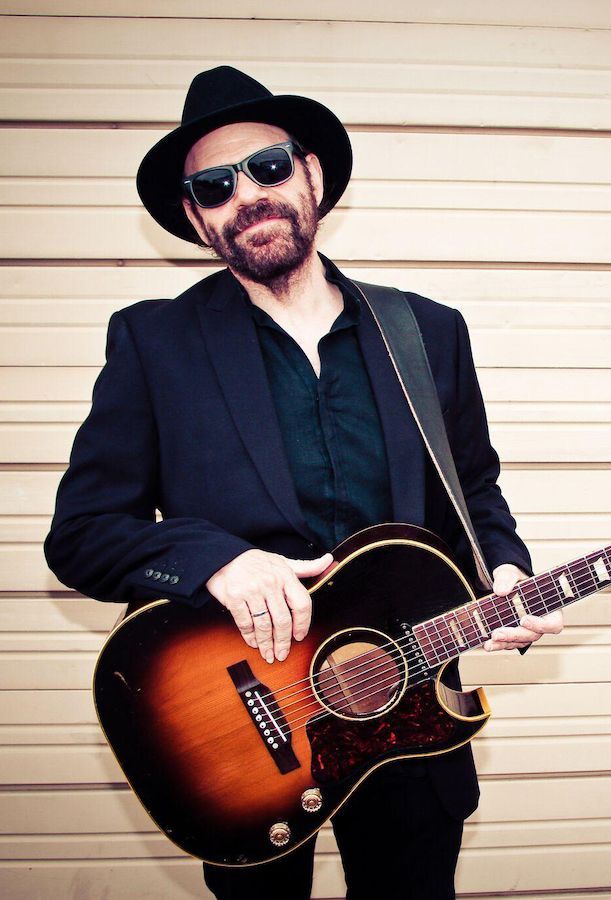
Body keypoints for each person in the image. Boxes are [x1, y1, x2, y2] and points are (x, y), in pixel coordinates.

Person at [45, 66, 563, 900]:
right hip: (245, 740)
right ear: (194, 217)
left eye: (268, 167)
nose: (246, 195)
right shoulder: (154, 343)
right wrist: (215, 560)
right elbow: (80, 535)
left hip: (410, 717)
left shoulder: (425, 331)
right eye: (214, 186)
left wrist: (500, 570)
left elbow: (473, 489)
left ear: (312, 174)